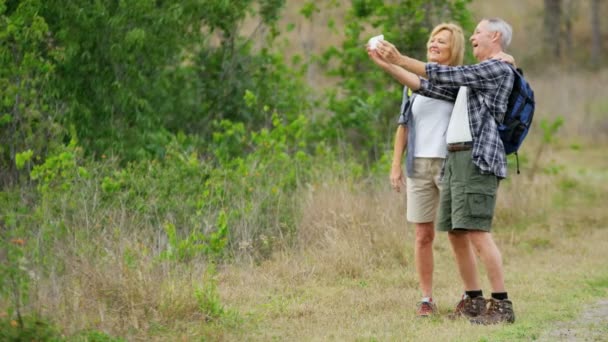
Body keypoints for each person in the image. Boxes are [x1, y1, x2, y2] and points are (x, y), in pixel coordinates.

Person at [374, 17, 517, 324]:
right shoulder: (473, 78)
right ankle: (475, 301)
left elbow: (445, 74)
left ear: (494, 36)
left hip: (475, 158)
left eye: (477, 33)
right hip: (459, 158)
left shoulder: (495, 68)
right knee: (456, 232)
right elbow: (426, 86)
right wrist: (388, 64)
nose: (474, 37)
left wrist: (399, 57)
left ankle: (502, 305)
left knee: (477, 233)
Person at [368, 23, 466, 317]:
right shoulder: (409, 84)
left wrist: (392, 62)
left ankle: (468, 293)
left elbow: (426, 84)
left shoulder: (458, 80)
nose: (434, 44)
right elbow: (403, 125)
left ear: (454, 49)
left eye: (442, 41)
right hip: (419, 165)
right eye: (432, 40)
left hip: (450, 164)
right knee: (423, 235)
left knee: (458, 232)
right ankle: (426, 298)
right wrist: (396, 164)